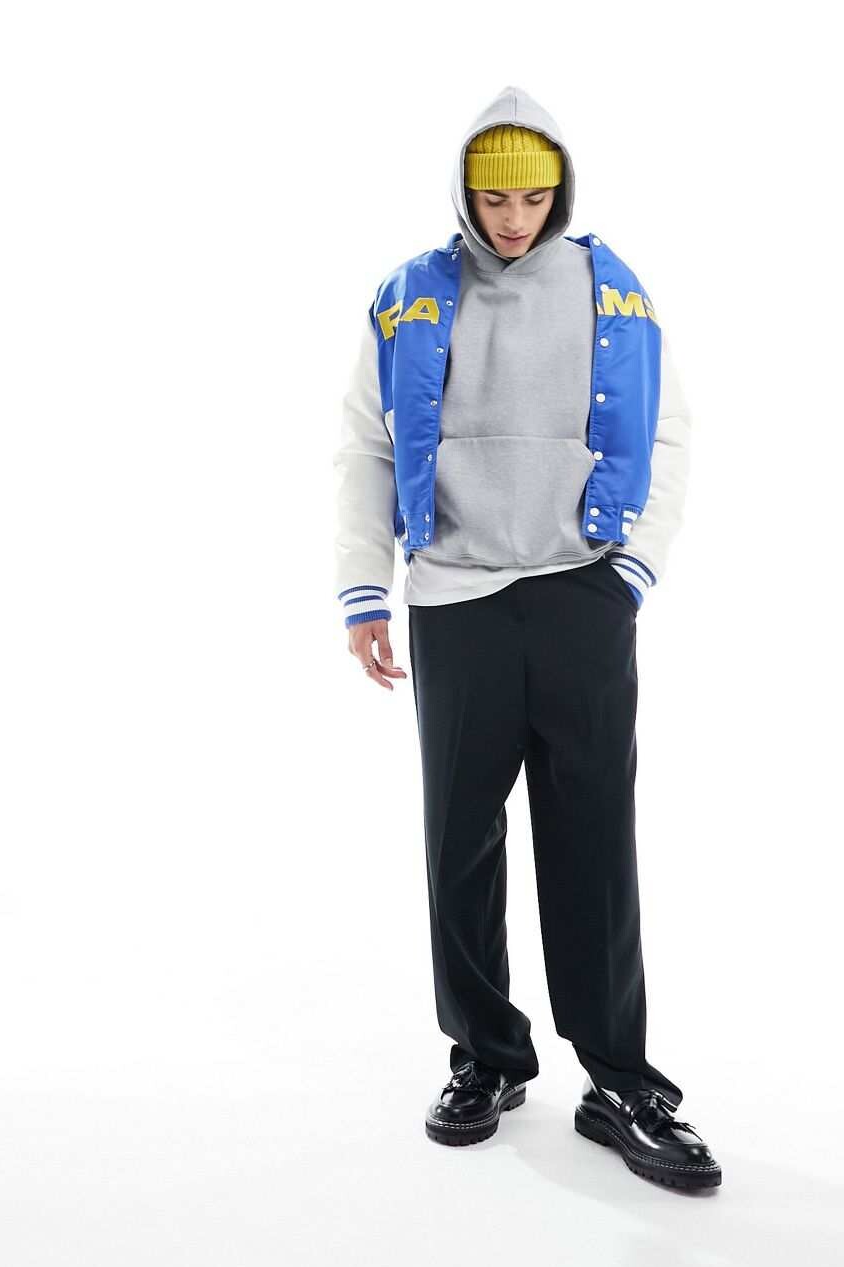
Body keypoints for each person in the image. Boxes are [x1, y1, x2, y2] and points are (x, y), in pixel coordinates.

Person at [334, 85, 721, 1189]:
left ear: (562, 191)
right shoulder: (410, 294)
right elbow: (365, 444)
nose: (513, 219)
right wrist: (364, 590)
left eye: (534, 197)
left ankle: (620, 1080)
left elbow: (667, 430)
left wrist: (631, 569)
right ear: (466, 192)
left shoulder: (612, 289)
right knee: (459, 837)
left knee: (593, 838)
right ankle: (486, 1055)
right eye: (495, 198)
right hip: (454, 597)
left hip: (577, 592)